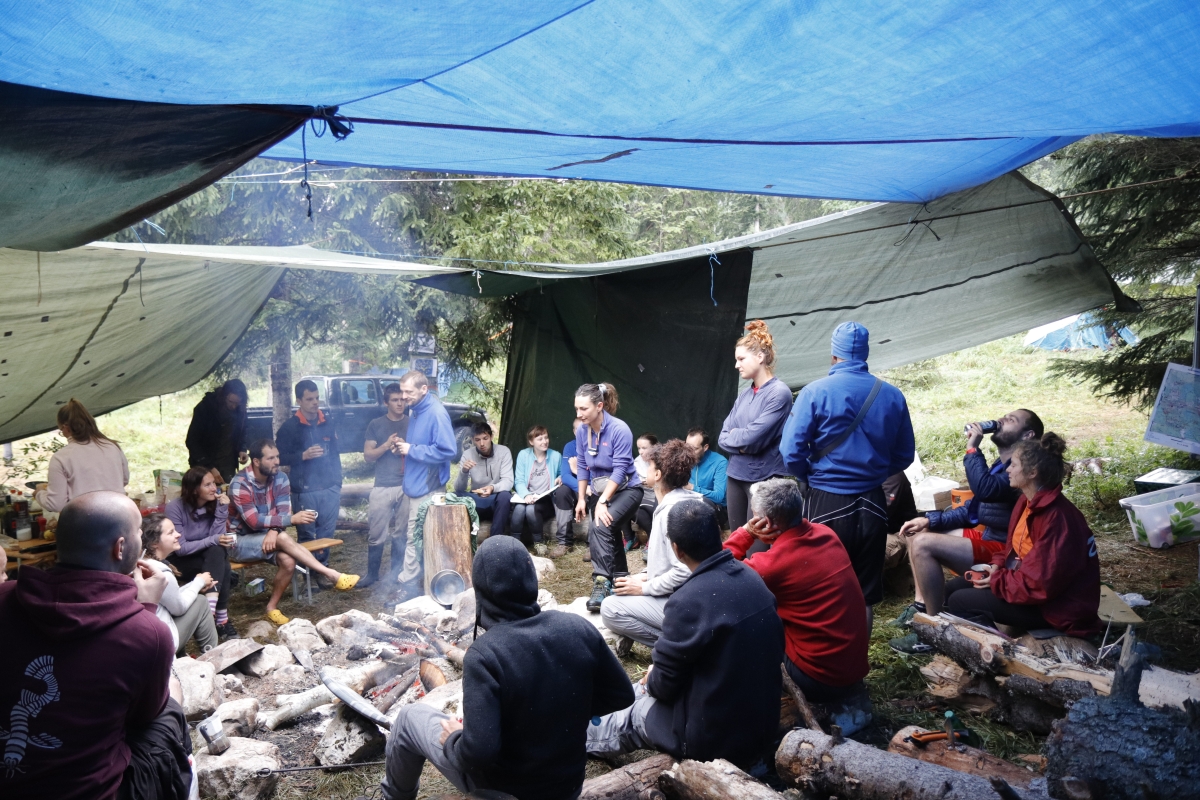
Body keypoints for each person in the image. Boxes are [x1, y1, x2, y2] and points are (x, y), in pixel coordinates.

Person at [380, 536, 633, 800]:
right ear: (531, 580)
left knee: (409, 718)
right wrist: (568, 712)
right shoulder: (577, 627)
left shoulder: (485, 655)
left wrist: (454, 739)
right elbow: (622, 695)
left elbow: (479, 754)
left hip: (507, 791)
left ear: (481, 590)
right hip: (567, 786)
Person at [0, 491, 192, 800]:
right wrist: (145, 609)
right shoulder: (147, 633)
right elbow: (142, 717)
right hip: (95, 791)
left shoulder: (5, 598)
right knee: (171, 697)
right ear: (120, 548)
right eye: (139, 532)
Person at [587, 500, 783, 770]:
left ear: (677, 550)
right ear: (719, 535)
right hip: (762, 722)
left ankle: (577, 736)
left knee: (636, 711)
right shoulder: (753, 579)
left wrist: (655, 676)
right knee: (639, 689)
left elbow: (662, 688)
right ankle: (593, 712)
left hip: (713, 739)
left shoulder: (687, 600)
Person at [780, 321, 915, 628]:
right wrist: (873, 472)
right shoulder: (892, 395)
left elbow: (790, 452)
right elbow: (904, 455)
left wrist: (807, 475)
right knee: (864, 594)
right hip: (873, 501)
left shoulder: (814, 392)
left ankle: (823, 655)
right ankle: (858, 657)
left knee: (819, 587)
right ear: (866, 354)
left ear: (833, 355)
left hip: (826, 499)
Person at [724, 479, 872, 734]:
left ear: (765, 522)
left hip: (819, 678)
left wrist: (746, 533)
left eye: (754, 516)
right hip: (851, 668)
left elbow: (719, 571)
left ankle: (746, 704)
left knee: (745, 622)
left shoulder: (772, 566)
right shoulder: (826, 534)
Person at [889, 410, 1044, 651]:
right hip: (991, 540)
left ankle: (934, 633)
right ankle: (920, 606)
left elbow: (985, 490)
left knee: (923, 544)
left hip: (1004, 552)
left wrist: (972, 449)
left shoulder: (1022, 470)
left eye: (1011, 420)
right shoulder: (1001, 465)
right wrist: (929, 521)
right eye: (1004, 416)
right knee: (915, 533)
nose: (1002, 420)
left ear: (1028, 435)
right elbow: (973, 510)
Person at [941, 433, 1102, 637]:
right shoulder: (1026, 501)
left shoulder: (1056, 519)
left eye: (1014, 465)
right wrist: (996, 566)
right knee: (953, 587)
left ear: (1032, 472)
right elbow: (1013, 550)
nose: (1007, 469)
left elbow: (1039, 585)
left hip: (1057, 609)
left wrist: (997, 581)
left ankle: (997, 648)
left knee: (959, 601)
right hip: (1029, 588)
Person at [228, 439, 359, 625]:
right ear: (256, 461)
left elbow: (282, 511)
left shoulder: (280, 478)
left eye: (277, 457)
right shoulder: (240, 483)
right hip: (237, 541)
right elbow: (254, 521)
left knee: (288, 561)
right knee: (283, 537)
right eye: (271, 458)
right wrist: (289, 521)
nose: (277, 462)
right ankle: (331, 574)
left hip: (268, 537)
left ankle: (271, 608)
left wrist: (274, 530)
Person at [601, 439, 699, 651]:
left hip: (684, 604)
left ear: (657, 475)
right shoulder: (690, 501)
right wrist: (644, 576)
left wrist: (643, 588)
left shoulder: (671, 513)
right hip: (693, 599)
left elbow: (685, 571)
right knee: (621, 591)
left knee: (609, 608)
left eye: (649, 466)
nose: (645, 470)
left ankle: (679, 647)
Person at [573, 383, 643, 612]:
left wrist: (603, 501)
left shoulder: (619, 429)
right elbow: (582, 465)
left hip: (627, 490)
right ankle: (621, 580)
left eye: (584, 408)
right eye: (577, 408)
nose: (579, 414)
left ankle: (601, 581)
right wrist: (581, 499)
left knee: (601, 526)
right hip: (599, 490)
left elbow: (620, 469)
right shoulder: (582, 431)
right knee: (608, 531)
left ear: (599, 406)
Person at [719, 320, 793, 531]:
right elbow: (722, 437)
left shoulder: (779, 393)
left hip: (764, 479)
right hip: (735, 475)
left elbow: (753, 439)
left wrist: (741, 440)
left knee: (758, 543)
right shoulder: (744, 394)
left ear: (760, 357)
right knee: (737, 539)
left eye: (741, 359)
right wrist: (742, 442)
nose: (736, 365)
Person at [394, 370, 457, 600]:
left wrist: (412, 449)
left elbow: (448, 450)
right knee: (413, 535)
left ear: (423, 389)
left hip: (428, 487)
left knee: (416, 536)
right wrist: (405, 446)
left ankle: (409, 585)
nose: (404, 397)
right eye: (402, 391)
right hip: (413, 484)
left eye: (408, 392)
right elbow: (422, 445)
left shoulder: (436, 413)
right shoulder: (416, 410)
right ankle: (422, 581)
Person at [276, 379, 342, 567]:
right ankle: (308, 572)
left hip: (329, 487)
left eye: (317, 398)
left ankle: (322, 569)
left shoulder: (327, 422)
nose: (315, 403)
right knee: (306, 534)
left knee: (326, 533)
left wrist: (338, 482)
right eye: (309, 399)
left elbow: (336, 452)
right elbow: (279, 457)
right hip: (304, 489)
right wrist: (302, 455)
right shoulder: (290, 427)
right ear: (299, 401)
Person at [165, 466, 236, 640]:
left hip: (207, 557)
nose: (214, 489)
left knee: (218, 553)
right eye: (208, 485)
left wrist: (222, 511)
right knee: (223, 566)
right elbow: (180, 548)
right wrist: (213, 540)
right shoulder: (175, 508)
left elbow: (217, 539)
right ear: (194, 489)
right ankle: (221, 619)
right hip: (180, 560)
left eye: (214, 484)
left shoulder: (215, 504)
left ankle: (210, 613)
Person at [142, 513, 220, 656]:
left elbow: (170, 597)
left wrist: (195, 586)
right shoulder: (161, 573)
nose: (178, 535)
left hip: (146, 639)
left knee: (196, 598)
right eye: (171, 532)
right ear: (154, 543)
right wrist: (199, 582)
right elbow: (179, 608)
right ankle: (214, 657)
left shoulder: (142, 563)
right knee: (201, 602)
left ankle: (183, 658)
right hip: (160, 645)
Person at [34, 398, 129, 512]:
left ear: (66, 428)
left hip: (85, 518)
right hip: (120, 514)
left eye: (61, 431)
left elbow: (56, 504)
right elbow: (124, 480)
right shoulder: (113, 447)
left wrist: (39, 493)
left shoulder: (61, 458)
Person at [362, 383, 409, 588]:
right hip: (382, 485)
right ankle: (372, 574)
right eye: (395, 400)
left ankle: (395, 573)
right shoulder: (376, 424)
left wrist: (405, 448)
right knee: (376, 532)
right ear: (386, 402)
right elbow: (368, 456)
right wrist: (386, 445)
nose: (400, 404)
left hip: (406, 485)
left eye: (402, 400)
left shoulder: (412, 422)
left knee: (401, 532)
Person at [453, 423, 514, 538]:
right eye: (477, 440)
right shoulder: (467, 454)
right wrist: (464, 471)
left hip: (495, 498)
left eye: (485, 438)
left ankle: (495, 539)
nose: (482, 443)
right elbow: (459, 488)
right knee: (453, 496)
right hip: (476, 499)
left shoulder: (503, 452)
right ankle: (457, 537)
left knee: (505, 496)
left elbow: (508, 481)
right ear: (473, 440)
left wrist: (492, 488)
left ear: (491, 437)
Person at [185, 378, 249, 482]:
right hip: (204, 465)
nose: (233, 406)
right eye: (231, 402)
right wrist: (209, 467)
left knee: (226, 490)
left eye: (237, 403)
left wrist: (242, 449)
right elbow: (192, 441)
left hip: (227, 465)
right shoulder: (206, 407)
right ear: (224, 396)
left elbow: (243, 431)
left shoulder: (240, 410)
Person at [510, 425, 562, 546]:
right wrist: (526, 495)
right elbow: (519, 480)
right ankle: (514, 543)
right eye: (540, 439)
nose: (545, 441)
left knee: (530, 510)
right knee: (519, 509)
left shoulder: (555, 456)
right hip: (527, 497)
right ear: (531, 441)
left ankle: (539, 543)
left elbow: (562, 473)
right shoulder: (523, 455)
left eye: (546, 438)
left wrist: (560, 477)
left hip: (545, 499)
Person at [550, 418, 584, 557]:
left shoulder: (596, 445)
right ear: (574, 432)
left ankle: (593, 544)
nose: (582, 432)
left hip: (591, 488)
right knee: (561, 491)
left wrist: (585, 487)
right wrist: (581, 489)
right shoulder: (570, 447)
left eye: (585, 428)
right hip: (576, 489)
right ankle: (564, 542)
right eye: (579, 429)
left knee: (596, 492)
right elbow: (565, 475)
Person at [685, 427, 728, 526]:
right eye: (687, 447)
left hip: (716, 508)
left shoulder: (720, 463)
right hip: (689, 502)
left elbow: (718, 497)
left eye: (694, 449)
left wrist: (692, 487)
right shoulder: (684, 458)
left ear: (705, 447)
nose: (689, 453)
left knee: (702, 503)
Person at [627, 433, 659, 550]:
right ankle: (651, 538)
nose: (641, 452)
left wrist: (653, 483)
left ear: (655, 447)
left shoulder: (663, 461)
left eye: (644, 448)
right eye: (639, 448)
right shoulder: (637, 462)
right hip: (642, 495)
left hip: (658, 496)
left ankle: (654, 540)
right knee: (632, 506)